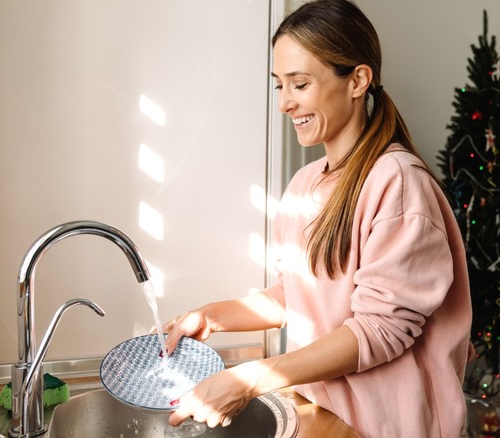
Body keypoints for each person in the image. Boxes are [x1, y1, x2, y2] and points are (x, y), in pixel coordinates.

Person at [161, 0, 472, 436]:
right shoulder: (305, 184)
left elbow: (380, 330)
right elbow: (296, 295)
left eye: (300, 84)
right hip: (322, 415)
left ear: (358, 80)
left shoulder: (397, 183)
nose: (286, 103)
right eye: (279, 86)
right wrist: (211, 317)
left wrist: (250, 378)